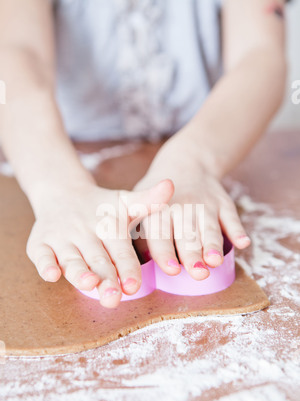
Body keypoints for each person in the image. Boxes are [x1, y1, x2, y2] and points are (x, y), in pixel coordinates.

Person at [0, 0, 288, 308]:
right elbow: (17, 52)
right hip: (57, 147)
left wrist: (194, 161)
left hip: (212, 140)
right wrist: (58, 188)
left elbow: (259, 55)